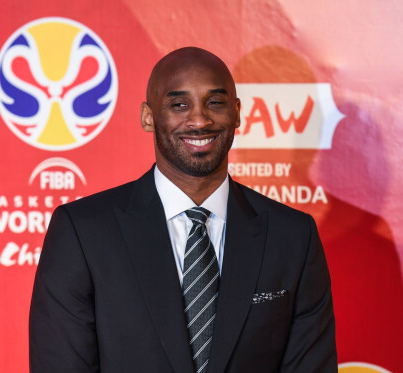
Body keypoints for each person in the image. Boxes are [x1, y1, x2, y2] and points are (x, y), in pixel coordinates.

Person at [29, 47, 337, 373]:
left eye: (215, 103)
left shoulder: (291, 236)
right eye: (179, 105)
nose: (200, 119)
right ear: (148, 117)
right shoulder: (83, 232)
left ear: (237, 113)